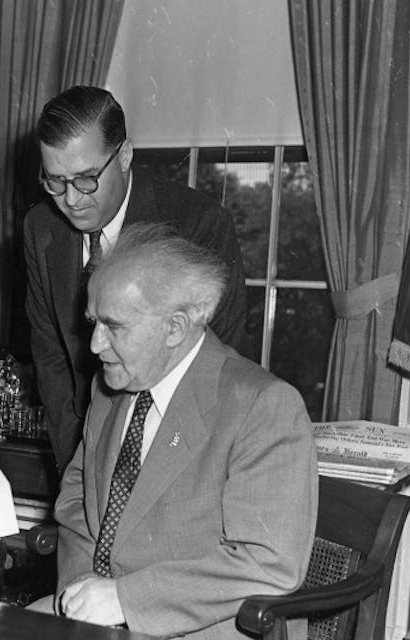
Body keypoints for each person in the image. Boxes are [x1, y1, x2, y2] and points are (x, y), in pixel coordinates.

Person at [49, 223, 317, 638]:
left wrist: (125, 600)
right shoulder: (110, 388)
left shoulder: (262, 406)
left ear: (175, 328)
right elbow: (74, 505)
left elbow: (269, 562)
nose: (95, 345)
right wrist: (81, 587)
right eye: (92, 323)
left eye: (113, 326)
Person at [24, 85, 249, 473]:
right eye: (55, 181)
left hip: (175, 455)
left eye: (86, 178)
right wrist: (79, 473)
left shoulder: (198, 225)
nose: (72, 200)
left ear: (125, 155)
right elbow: (51, 362)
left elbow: (213, 367)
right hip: (81, 452)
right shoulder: (40, 228)